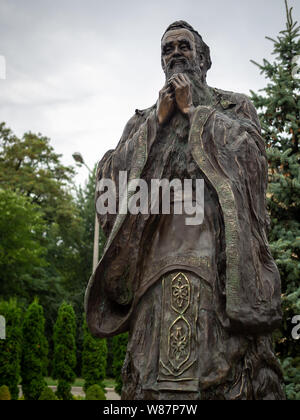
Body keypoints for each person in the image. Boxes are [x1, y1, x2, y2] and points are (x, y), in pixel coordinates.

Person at [85, 21, 285, 400]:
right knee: (151, 382)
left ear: (204, 59)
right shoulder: (143, 119)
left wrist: (195, 112)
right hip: (154, 266)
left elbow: (253, 162)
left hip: (218, 262)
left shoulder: (233, 106)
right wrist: (154, 125)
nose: (175, 53)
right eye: (167, 49)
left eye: (184, 46)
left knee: (220, 376)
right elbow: (107, 182)